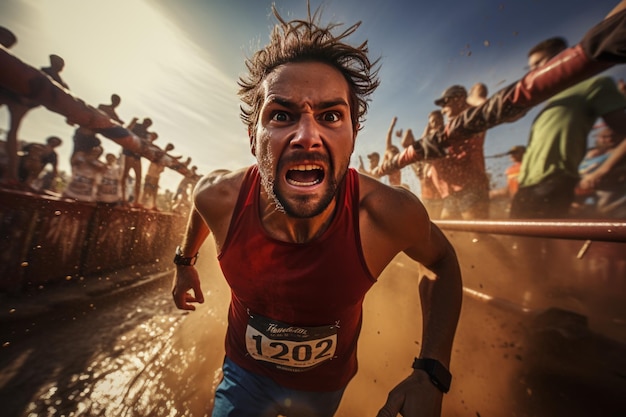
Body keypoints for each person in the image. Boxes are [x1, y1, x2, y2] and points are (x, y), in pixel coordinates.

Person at [171, 6, 462, 417]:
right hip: (243, 374)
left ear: (353, 135)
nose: (307, 136)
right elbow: (199, 208)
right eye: (281, 115)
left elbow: (443, 261)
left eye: (330, 116)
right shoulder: (220, 196)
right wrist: (184, 262)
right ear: (251, 136)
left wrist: (431, 372)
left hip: (326, 387)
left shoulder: (386, 213)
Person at [510, 37, 626, 219]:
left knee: (542, 243)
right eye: (530, 68)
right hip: (525, 186)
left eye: (539, 63)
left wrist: (603, 170)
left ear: (563, 56)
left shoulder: (594, 85)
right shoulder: (549, 104)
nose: (534, 72)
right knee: (518, 242)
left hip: (555, 181)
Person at [429, 85, 490, 219]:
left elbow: (487, 107)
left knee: (478, 235)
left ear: (459, 99)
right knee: (447, 229)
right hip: (451, 191)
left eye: (445, 103)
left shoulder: (473, 120)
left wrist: (471, 98)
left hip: (471, 187)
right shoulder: (448, 130)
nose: (443, 111)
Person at [577, 127, 626, 218]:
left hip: (615, 206)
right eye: (604, 136)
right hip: (589, 205)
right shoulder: (588, 154)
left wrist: (600, 173)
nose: (609, 139)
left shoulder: (618, 156)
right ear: (596, 137)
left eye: (613, 136)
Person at [121, 117, 154, 206]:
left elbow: (147, 143)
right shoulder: (136, 126)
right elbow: (127, 131)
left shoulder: (147, 133)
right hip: (129, 153)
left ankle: (136, 201)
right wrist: (132, 122)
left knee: (139, 178)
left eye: (148, 124)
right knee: (125, 175)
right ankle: (123, 198)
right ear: (143, 121)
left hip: (137, 156)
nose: (146, 125)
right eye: (146, 122)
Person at [372, 117, 402, 186]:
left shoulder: (397, 161)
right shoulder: (389, 149)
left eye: (396, 151)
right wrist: (392, 125)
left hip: (393, 173)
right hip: (385, 170)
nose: (394, 151)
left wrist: (400, 137)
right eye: (394, 150)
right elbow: (389, 135)